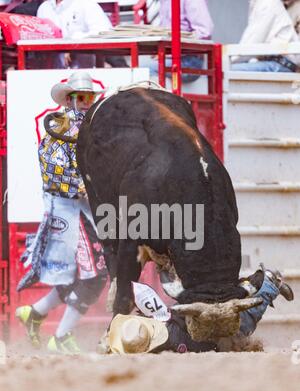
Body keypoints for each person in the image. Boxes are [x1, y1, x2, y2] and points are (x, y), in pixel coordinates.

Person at [16, 71, 108, 354]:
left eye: (89, 97)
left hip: (85, 213)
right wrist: (81, 185)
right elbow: (53, 173)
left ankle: (35, 313)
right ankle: (61, 336)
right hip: (72, 214)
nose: (85, 102)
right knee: (94, 277)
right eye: (81, 97)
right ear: (69, 99)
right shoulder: (60, 129)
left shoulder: (92, 128)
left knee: (77, 276)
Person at [107, 264, 294, 354]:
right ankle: (266, 282)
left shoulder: (168, 341)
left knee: (243, 321)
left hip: (213, 331)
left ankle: (268, 283)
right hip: (206, 319)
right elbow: (141, 293)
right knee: (240, 310)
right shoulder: (161, 318)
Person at [139, 0, 214, 83]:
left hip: (188, 60)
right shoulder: (164, 2)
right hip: (172, 58)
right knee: (137, 68)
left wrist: (168, 53)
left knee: (142, 70)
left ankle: (159, 95)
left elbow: (204, 31)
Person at [37, 0, 112, 68]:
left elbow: (104, 32)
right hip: (51, 71)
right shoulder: (44, 8)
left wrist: (73, 44)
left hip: (83, 72)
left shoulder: (86, 4)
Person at [231, 0, 300, 72]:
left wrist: (225, 62)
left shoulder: (268, 4)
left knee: (226, 70)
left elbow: (252, 43)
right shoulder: (259, 4)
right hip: (271, 61)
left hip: (281, 63)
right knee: (228, 69)